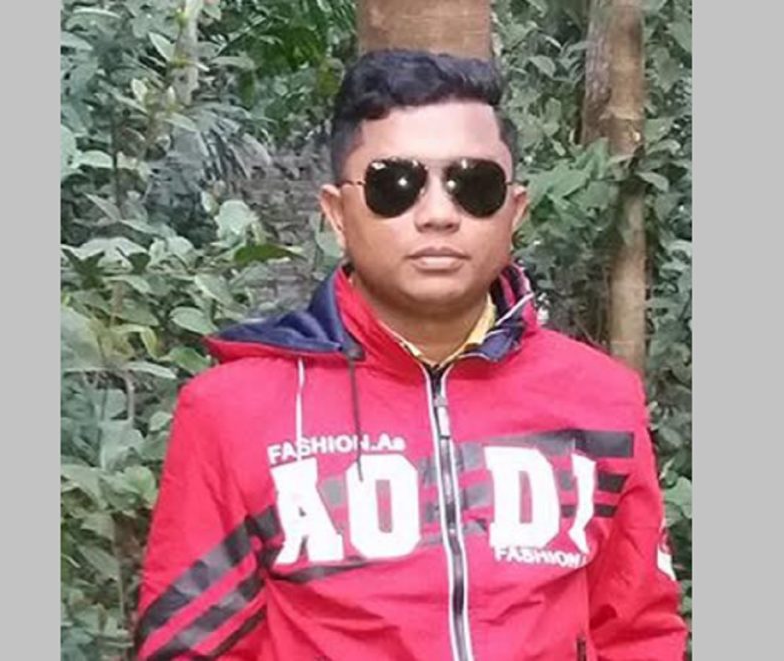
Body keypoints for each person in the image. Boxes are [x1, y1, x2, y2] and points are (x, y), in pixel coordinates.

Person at [135, 49, 687, 661]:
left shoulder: (599, 398)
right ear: (337, 214)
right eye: (393, 185)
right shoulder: (234, 411)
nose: (438, 214)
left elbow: (637, 632)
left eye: (473, 185)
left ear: (514, 211)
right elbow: (191, 646)